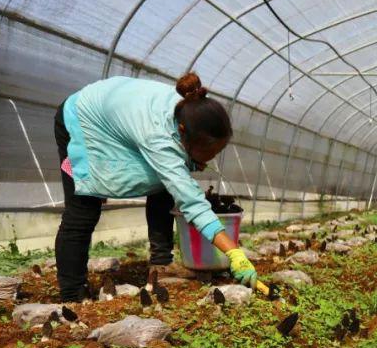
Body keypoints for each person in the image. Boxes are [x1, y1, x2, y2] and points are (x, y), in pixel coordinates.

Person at [53, 72, 258, 302]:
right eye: (207, 154)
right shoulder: (158, 137)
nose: (209, 161)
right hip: (81, 119)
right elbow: (192, 203)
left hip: (113, 115)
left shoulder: (188, 108)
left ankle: (160, 264)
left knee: (166, 180)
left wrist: (189, 159)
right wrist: (233, 252)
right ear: (182, 132)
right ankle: (72, 292)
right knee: (84, 206)